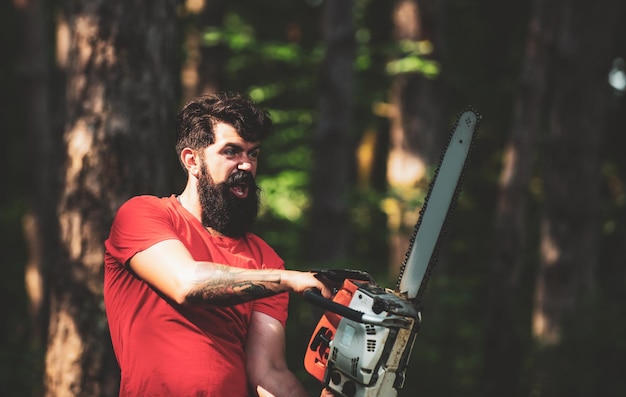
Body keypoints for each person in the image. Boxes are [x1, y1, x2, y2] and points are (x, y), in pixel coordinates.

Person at [104, 92, 336, 397]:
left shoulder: (265, 258)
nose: (246, 165)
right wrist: (288, 279)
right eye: (231, 152)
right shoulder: (143, 215)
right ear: (192, 161)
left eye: (253, 154)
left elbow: (268, 371)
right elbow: (186, 283)